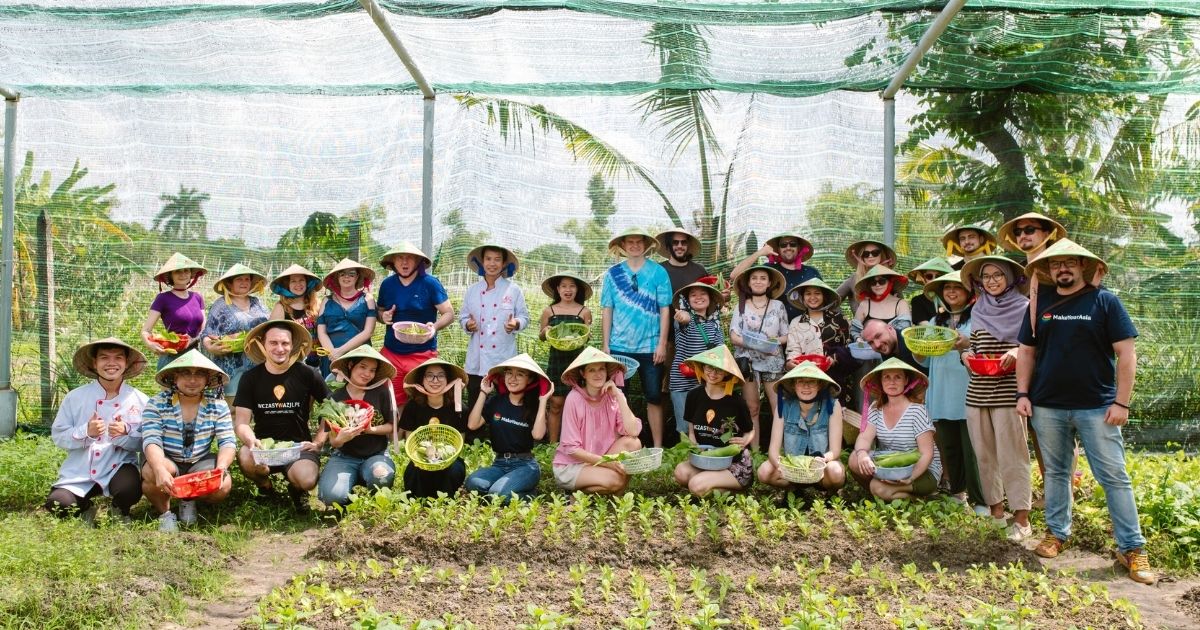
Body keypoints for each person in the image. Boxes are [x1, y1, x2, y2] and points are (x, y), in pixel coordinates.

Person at [1016, 239, 1154, 584]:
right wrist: (1023, 394)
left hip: (1098, 408)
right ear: (1048, 270)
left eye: (1069, 263)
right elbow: (1026, 352)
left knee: (1114, 477)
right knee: (1056, 473)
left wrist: (1121, 402)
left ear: (1082, 266)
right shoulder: (1039, 304)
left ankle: (1132, 548)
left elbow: (1126, 353)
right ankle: (1056, 534)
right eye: (1055, 264)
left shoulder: (1105, 301)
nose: (1062, 269)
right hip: (1047, 404)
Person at [960, 255, 1033, 541]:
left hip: (1008, 392)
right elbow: (976, 347)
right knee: (985, 455)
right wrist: (967, 354)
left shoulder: (1025, 307)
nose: (991, 281)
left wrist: (1017, 352)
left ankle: (1022, 519)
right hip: (977, 393)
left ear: (1010, 278)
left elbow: (1033, 346)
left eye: (997, 275)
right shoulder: (979, 309)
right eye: (986, 276)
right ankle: (996, 513)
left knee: (1013, 455)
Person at [47, 338, 148, 523]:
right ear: (94, 363)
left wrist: (126, 432)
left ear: (127, 363)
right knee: (58, 503)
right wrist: (86, 431)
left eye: (118, 357)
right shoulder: (75, 397)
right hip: (81, 468)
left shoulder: (140, 400)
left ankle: (119, 509)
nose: (111, 363)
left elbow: (147, 441)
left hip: (118, 465)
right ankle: (86, 508)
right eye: (104, 358)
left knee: (130, 490)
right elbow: (59, 435)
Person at [233, 320, 330, 513]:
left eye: (285, 343)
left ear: (292, 345)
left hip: (298, 447)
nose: (279, 348)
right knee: (245, 455)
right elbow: (241, 423)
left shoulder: (308, 374)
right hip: (264, 448)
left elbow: (331, 409)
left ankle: (297, 489)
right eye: (273, 343)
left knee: (307, 480)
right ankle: (266, 488)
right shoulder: (250, 378)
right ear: (263, 344)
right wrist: (251, 441)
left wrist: (319, 441)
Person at [140, 350, 235, 532]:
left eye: (199, 374)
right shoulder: (157, 403)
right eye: (185, 373)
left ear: (208, 379)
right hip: (168, 458)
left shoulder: (218, 405)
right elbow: (152, 440)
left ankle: (188, 500)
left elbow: (227, 442)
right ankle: (165, 513)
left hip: (199, 461)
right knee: (151, 472)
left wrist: (221, 467)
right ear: (174, 377)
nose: (192, 380)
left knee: (224, 485)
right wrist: (159, 468)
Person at [916, 271, 985, 509]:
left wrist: (968, 344)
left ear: (968, 292)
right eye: (947, 288)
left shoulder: (978, 317)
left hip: (968, 391)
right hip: (941, 391)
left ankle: (981, 500)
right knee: (949, 445)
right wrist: (918, 349)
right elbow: (924, 359)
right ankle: (958, 493)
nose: (951, 292)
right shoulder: (935, 322)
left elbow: (987, 349)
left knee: (972, 448)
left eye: (957, 287)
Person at [601, 228, 672, 447]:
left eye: (639, 241)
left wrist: (662, 344)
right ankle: (622, 445)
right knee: (618, 397)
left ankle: (658, 447)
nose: (634, 245)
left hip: (650, 347)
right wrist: (606, 345)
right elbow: (607, 309)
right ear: (622, 245)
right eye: (629, 242)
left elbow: (665, 309)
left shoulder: (658, 272)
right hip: (619, 347)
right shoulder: (612, 274)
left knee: (654, 396)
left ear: (646, 245)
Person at [375, 242, 455, 411]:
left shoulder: (430, 283)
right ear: (393, 262)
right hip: (392, 354)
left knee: (424, 402)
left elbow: (449, 313)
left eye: (409, 258)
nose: (404, 262)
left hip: (422, 354)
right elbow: (380, 312)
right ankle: (397, 429)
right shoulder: (387, 285)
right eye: (399, 258)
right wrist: (383, 316)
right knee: (394, 403)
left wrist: (434, 327)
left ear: (418, 261)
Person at [552, 348, 643, 495]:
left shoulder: (613, 396)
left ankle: (616, 497)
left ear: (607, 372)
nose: (598, 374)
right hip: (573, 465)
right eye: (591, 370)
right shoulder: (574, 399)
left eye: (601, 369)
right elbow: (571, 449)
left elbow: (633, 431)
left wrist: (619, 396)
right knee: (615, 480)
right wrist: (607, 463)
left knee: (634, 443)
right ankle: (574, 495)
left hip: (600, 459)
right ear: (583, 374)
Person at [315, 345, 397, 508]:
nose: (367, 374)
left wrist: (370, 429)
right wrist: (341, 439)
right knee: (331, 497)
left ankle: (371, 485)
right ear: (351, 365)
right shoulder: (336, 398)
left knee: (381, 477)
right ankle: (350, 483)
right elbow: (334, 442)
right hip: (345, 456)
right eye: (362, 367)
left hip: (376, 454)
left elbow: (392, 426)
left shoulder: (381, 392)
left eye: (372, 370)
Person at [849, 358, 942, 501]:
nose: (891, 382)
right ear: (881, 381)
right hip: (891, 466)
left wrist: (911, 478)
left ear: (906, 381)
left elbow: (927, 453)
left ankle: (913, 497)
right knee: (854, 459)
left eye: (897, 377)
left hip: (921, 471)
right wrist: (862, 454)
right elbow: (865, 437)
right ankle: (884, 494)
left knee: (877, 487)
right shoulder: (876, 408)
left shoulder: (917, 411)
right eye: (887, 377)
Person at [465, 354, 552, 502]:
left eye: (520, 374)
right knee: (473, 483)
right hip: (499, 464)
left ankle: (529, 494)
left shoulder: (534, 406)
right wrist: (483, 392)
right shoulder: (496, 401)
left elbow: (538, 435)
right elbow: (473, 424)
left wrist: (543, 400)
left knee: (498, 494)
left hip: (525, 466)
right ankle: (510, 490)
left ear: (530, 379)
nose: (513, 378)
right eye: (509, 373)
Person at [673, 346, 755, 497]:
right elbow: (692, 431)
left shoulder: (736, 401)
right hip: (706, 460)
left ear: (727, 373)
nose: (713, 373)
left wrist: (745, 440)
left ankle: (737, 490)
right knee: (680, 473)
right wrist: (695, 449)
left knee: (696, 486)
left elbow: (750, 430)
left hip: (733, 464)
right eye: (709, 367)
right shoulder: (694, 396)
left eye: (719, 370)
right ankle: (708, 481)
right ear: (702, 367)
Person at [757, 361, 846, 493]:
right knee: (764, 471)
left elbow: (835, 451)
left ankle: (830, 493)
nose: (806, 386)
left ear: (819, 385)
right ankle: (793, 490)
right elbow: (773, 451)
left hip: (821, 469)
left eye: (812, 381)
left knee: (836, 471)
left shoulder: (832, 405)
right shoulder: (783, 406)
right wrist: (783, 466)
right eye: (801, 381)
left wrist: (822, 459)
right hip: (793, 470)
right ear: (794, 385)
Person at [462, 244, 530, 416]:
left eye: (497, 259)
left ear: (504, 263)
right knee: (475, 400)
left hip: (502, 356)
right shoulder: (472, 291)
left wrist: (516, 323)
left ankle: (500, 430)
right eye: (488, 259)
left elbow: (524, 317)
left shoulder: (513, 290)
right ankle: (474, 430)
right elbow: (462, 317)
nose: (492, 263)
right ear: (481, 262)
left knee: (504, 403)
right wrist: (468, 324)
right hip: (477, 358)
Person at [729, 264, 789, 449]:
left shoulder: (778, 306)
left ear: (770, 283)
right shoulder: (740, 306)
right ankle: (754, 452)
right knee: (752, 408)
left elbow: (786, 335)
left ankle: (778, 451)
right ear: (748, 282)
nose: (758, 281)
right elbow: (734, 337)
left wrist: (772, 342)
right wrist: (756, 344)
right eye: (754, 278)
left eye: (763, 278)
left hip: (773, 362)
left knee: (778, 407)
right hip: (747, 363)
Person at [399, 358, 469, 498]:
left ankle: (445, 501)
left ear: (448, 380)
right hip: (422, 459)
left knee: (454, 470)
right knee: (413, 472)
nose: (435, 380)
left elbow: (459, 443)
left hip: (448, 459)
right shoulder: (412, 406)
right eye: (429, 376)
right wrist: (426, 457)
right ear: (422, 380)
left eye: (441, 376)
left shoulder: (459, 408)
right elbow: (410, 441)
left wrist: (441, 456)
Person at [200, 263, 270, 403]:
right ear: (229, 283)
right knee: (234, 406)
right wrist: (211, 347)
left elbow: (269, 325)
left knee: (256, 405)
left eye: (247, 279)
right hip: (231, 365)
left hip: (257, 362)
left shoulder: (257, 303)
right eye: (239, 279)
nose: (244, 282)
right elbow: (206, 334)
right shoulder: (220, 305)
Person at [785, 278, 857, 410]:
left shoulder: (839, 319)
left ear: (824, 296)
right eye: (808, 293)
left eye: (817, 293)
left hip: (835, 378)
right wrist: (790, 363)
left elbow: (850, 347)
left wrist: (834, 359)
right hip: (806, 379)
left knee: (836, 414)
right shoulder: (796, 322)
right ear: (802, 297)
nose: (812, 297)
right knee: (811, 414)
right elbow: (793, 349)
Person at [538, 272, 593, 443]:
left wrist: (587, 334)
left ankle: (577, 444)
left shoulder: (584, 312)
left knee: (579, 406)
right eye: (563, 286)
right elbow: (541, 336)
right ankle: (553, 445)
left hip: (578, 363)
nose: (567, 290)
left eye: (572, 286)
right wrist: (545, 331)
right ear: (557, 289)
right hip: (557, 361)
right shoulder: (549, 311)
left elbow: (586, 336)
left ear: (577, 289)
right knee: (556, 404)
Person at [668, 281, 725, 438]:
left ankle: (704, 452)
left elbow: (721, 352)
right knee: (685, 427)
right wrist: (683, 316)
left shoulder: (715, 324)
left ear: (710, 298)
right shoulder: (684, 318)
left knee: (705, 426)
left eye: (703, 294)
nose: (698, 297)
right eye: (693, 295)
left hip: (707, 382)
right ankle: (685, 452)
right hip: (682, 382)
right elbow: (684, 320)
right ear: (687, 301)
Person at [732, 232, 822, 323]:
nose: (788, 247)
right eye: (783, 245)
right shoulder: (768, 270)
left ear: (798, 248)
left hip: (806, 327)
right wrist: (759, 253)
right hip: (773, 327)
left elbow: (823, 300)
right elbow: (734, 275)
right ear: (778, 249)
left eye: (792, 244)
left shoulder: (811, 272)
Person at [142, 253, 207, 369]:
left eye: (186, 271)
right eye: (178, 271)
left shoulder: (197, 297)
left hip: (196, 356)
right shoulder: (163, 298)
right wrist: (150, 344)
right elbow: (146, 330)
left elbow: (204, 329)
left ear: (191, 274)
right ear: (170, 275)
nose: (183, 274)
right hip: (172, 357)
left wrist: (193, 340)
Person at [317, 259, 377, 374]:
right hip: (330, 357)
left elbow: (368, 331)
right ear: (337, 277)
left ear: (357, 277)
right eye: (342, 274)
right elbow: (321, 331)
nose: (346, 277)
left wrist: (340, 352)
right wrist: (332, 353)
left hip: (359, 357)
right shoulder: (326, 300)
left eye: (351, 274)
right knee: (330, 384)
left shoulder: (367, 299)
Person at [269, 264, 324, 371]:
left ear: (307, 283)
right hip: (292, 364)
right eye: (293, 281)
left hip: (317, 362)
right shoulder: (281, 307)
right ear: (287, 285)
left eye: (301, 280)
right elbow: (272, 337)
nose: (298, 284)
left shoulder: (317, 304)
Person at [836, 239, 897, 315]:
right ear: (862, 257)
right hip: (861, 322)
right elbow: (831, 300)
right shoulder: (854, 279)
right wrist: (842, 319)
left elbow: (900, 303)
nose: (870, 256)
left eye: (875, 253)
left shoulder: (890, 277)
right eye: (866, 254)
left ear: (881, 254)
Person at [850, 265, 911, 339]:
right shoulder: (865, 304)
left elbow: (904, 331)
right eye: (873, 282)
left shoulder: (901, 304)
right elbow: (854, 330)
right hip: (867, 345)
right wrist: (858, 339)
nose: (877, 285)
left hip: (896, 345)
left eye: (882, 281)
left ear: (890, 282)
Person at [656, 229, 708, 297]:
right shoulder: (658, 270)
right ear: (668, 246)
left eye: (684, 242)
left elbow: (709, 295)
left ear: (688, 246)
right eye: (675, 242)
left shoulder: (699, 270)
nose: (680, 246)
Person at [906, 257, 955, 325]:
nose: (934, 279)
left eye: (938, 276)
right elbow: (924, 325)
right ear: (923, 278)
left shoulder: (951, 297)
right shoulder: (918, 300)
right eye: (929, 276)